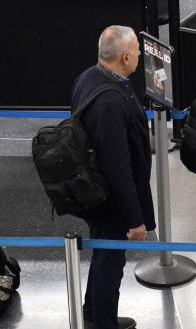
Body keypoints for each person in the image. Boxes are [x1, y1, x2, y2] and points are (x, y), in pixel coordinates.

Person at [73, 26, 155, 329]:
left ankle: (93, 311)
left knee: (103, 252)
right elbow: (117, 166)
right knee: (111, 262)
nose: (139, 55)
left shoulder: (89, 77)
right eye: (136, 51)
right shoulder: (110, 102)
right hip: (110, 200)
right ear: (124, 57)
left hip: (94, 193)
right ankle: (104, 322)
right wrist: (135, 219)